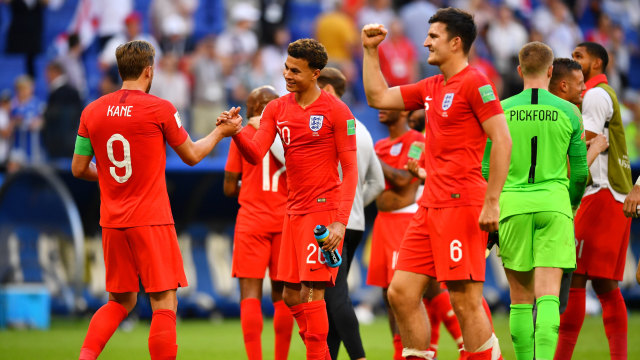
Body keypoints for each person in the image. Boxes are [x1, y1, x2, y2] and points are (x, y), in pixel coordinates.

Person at [361, 7, 512, 360]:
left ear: (456, 43)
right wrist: (370, 51)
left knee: (464, 300)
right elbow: (378, 98)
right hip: (429, 206)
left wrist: (492, 201)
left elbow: (502, 141)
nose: (425, 41)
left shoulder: (476, 81)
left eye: (434, 36)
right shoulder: (432, 86)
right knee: (399, 292)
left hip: (462, 203)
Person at [71, 40, 236, 360]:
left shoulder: (91, 111)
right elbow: (191, 155)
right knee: (164, 302)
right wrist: (221, 133)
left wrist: (107, 175)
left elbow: (78, 168)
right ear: (149, 70)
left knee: (119, 301)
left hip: (112, 221)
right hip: (151, 218)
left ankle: (86, 357)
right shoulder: (159, 108)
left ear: (120, 71)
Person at [218, 38, 358, 360]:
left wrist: (339, 221)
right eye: (286, 67)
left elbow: (349, 171)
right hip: (291, 213)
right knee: (292, 296)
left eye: (295, 70)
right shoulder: (277, 108)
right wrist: (237, 132)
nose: (287, 75)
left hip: (321, 213)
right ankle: (320, 353)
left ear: (315, 73)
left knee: (312, 294)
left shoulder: (337, 111)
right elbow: (254, 155)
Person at [481, 42, 588, 360]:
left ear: (519, 70)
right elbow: (580, 173)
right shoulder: (570, 111)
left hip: (513, 207)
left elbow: (487, 167)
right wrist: (568, 204)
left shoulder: (500, 109)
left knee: (520, 301)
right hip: (554, 206)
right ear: (551, 71)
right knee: (549, 299)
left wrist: (495, 201)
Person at [555, 41, 632, 360]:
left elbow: (582, 141)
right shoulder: (602, 94)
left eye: (579, 57)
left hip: (601, 193)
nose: (575, 62)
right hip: (611, 195)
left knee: (573, 277)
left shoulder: (596, 95)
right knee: (606, 287)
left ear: (597, 63)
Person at [318, 66, 384, 360]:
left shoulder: (326, 126)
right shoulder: (364, 130)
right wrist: (355, 204)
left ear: (328, 90)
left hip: (330, 225)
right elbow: (378, 183)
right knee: (332, 298)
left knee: (335, 296)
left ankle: (358, 355)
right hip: (354, 223)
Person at [223, 85, 293, 360]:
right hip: (285, 220)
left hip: (252, 220)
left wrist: (249, 185)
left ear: (252, 109)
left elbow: (229, 187)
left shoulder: (244, 134)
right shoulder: (290, 135)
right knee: (283, 295)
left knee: (250, 294)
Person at [367, 107, 428, 359]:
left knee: (402, 292)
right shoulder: (380, 144)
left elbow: (404, 179)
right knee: (386, 291)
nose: (380, 109)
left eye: (388, 105)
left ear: (403, 111)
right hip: (382, 221)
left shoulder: (415, 140)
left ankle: (416, 350)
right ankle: (400, 350)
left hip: (405, 220)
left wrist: (373, 160)